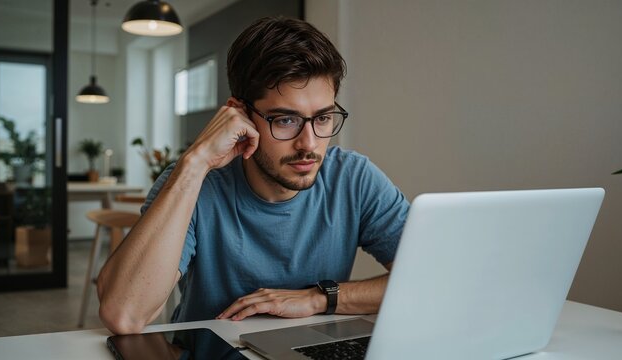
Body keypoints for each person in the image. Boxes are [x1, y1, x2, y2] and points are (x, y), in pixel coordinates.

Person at [97, 16, 409, 335]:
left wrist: (320, 298)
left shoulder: (353, 178)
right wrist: (195, 161)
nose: (310, 144)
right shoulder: (194, 181)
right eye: (286, 120)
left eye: (324, 118)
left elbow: (436, 276)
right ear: (240, 114)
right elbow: (124, 315)